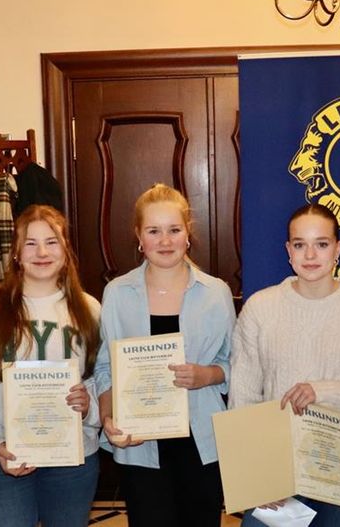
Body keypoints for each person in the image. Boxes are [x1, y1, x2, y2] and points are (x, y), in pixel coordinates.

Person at [229, 203, 340, 527]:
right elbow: (243, 397)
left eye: (321, 244)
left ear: (338, 249)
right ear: (287, 250)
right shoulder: (260, 309)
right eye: (299, 244)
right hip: (276, 462)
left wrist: (321, 392)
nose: (310, 255)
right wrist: (253, 471)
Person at [94, 183, 235, 527]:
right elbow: (105, 368)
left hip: (202, 442)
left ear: (188, 233)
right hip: (140, 443)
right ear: (139, 237)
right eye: (154, 231)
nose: (165, 240)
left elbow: (236, 364)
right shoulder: (117, 294)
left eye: (174, 229)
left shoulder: (216, 293)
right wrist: (109, 416)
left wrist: (207, 375)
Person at [0, 205, 101, 527]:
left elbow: (103, 382)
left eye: (51, 241)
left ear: (65, 249)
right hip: (7, 459)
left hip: (73, 461)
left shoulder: (90, 310)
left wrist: (89, 405)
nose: (42, 252)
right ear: (16, 252)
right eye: (30, 243)